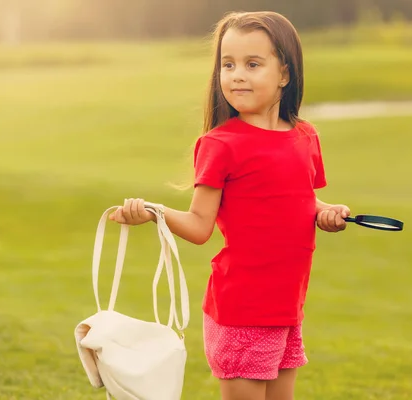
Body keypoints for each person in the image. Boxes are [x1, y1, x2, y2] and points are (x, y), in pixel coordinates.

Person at [109, 10, 351, 400]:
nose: (237, 74)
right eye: (228, 64)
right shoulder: (221, 145)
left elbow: (300, 200)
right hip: (242, 310)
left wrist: (327, 212)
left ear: (285, 74)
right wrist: (153, 211)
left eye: (252, 64)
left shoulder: (305, 137)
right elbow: (199, 226)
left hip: (287, 307)